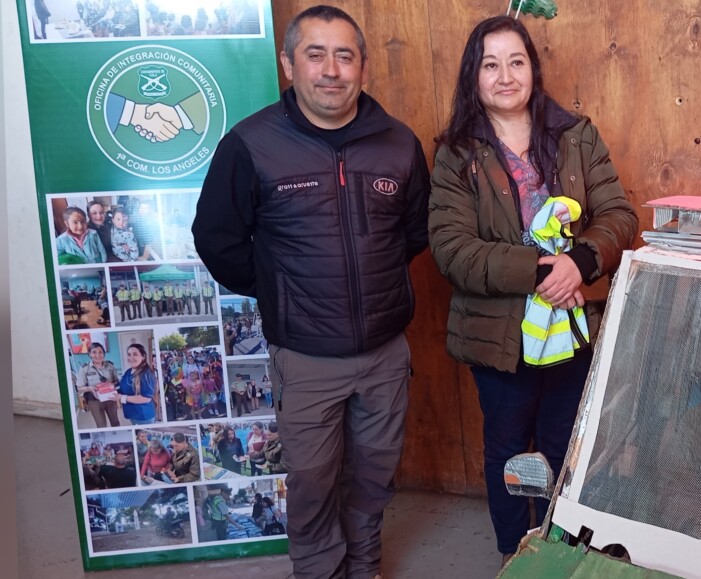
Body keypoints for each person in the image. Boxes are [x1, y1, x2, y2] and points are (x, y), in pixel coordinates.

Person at [192, 6, 429, 577]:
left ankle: (364, 565)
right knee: (313, 484)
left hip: (383, 353)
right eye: (315, 54)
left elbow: (415, 233)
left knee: (374, 477)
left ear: (363, 69)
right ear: (288, 65)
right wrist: (282, 290)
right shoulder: (249, 144)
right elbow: (217, 239)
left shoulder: (398, 143)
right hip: (304, 357)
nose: (331, 70)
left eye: (344, 55)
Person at [428, 16, 638, 563]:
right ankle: (513, 558)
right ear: (473, 76)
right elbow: (452, 249)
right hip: (499, 339)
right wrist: (547, 271)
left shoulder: (575, 134)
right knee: (508, 450)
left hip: (571, 329)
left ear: (533, 69)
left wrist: (583, 260)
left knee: (565, 449)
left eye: (515, 61)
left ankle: (559, 554)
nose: (504, 76)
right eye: (490, 64)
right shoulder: (457, 153)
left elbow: (617, 214)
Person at [73, 342, 121, 428]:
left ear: (104, 354)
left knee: (115, 423)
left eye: (100, 352)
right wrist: (90, 388)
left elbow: (116, 382)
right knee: (101, 425)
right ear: (89, 354)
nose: (98, 355)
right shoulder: (84, 369)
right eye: (94, 352)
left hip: (110, 398)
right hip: (94, 401)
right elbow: (79, 388)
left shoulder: (110, 366)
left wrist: (109, 386)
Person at [116, 343, 158, 425]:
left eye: (135, 354)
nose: (131, 358)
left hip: (143, 416)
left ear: (143, 357)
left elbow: (146, 398)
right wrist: (111, 391)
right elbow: (124, 388)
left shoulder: (146, 374)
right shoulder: (128, 371)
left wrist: (122, 397)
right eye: (129, 354)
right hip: (132, 413)